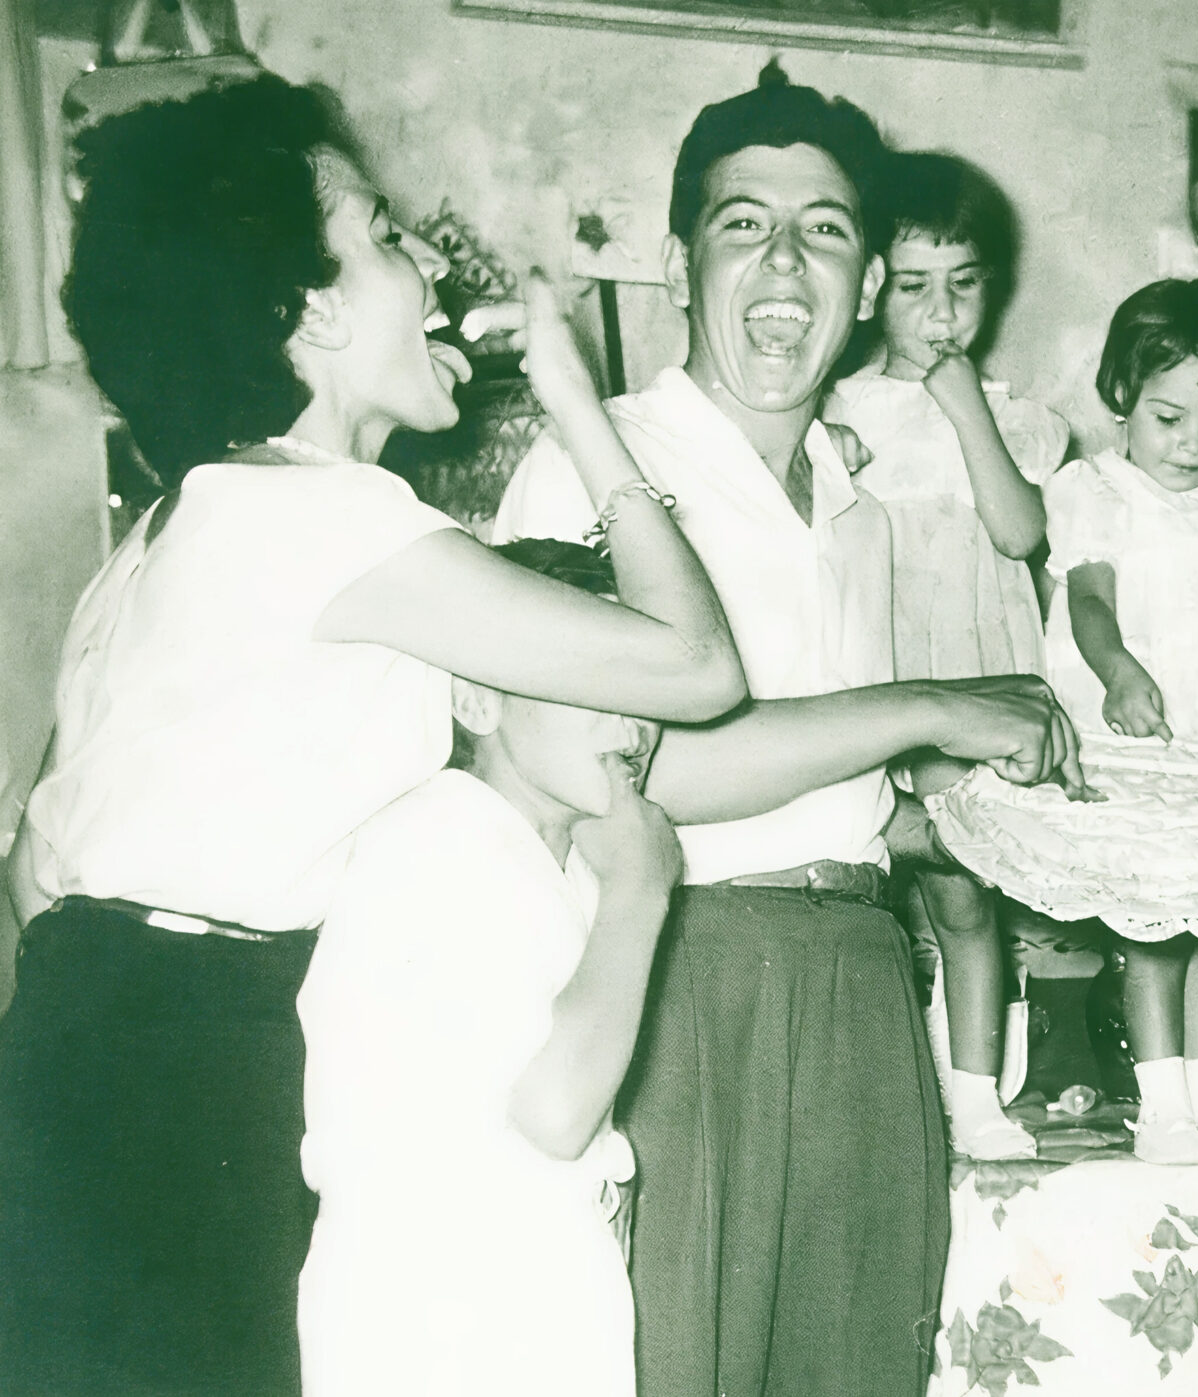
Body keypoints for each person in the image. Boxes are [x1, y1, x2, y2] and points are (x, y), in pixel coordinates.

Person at [0, 74, 1070, 1397]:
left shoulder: (185, 522)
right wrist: (579, 401)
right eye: (386, 237)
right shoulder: (325, 520)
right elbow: (691, 667)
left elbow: (35, 863)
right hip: (199, 1051)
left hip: (102, 1031)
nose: (430, 266)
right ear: (312, 309)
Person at [492, 63, 1083, 1397]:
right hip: (678, 982)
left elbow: (838, 798)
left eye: (823, 230)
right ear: (677, 264)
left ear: (867, 285)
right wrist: (932, 705)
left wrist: (991, 825)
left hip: (866, 978)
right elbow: (634, 778)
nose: (782, 262)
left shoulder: (854, 502)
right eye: (742, 223)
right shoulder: (597, 464)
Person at [298, 539, 676, 1397]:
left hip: (521, 1311)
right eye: (593, 681)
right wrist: (643, 887)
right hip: (441, 1326)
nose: (633, 725)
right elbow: (555, 1111)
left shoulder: (560, 863)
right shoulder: (438, 837)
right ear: (474, 698)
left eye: (645, 689)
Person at [825, 150, 1068, 1160]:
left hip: (975, 679)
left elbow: (1020, 533)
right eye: (915, 286)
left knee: (964, 889)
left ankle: (974, 1097)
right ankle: (879, 1094)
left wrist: (964, 405)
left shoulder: (1016, 418)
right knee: (860, 881)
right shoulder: (834, 408)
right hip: (869, 678)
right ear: (872, 287)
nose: (941, 313)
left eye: (963, 285)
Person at [1042, 276, 1198, 1164]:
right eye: (1169, 418)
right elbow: (1088, 600)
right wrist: (1117, 671)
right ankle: (1163, 1107)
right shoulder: (1098, 491)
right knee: (1153, 931)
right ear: (1124, 395)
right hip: (1140, 740)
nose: (1193, 444)